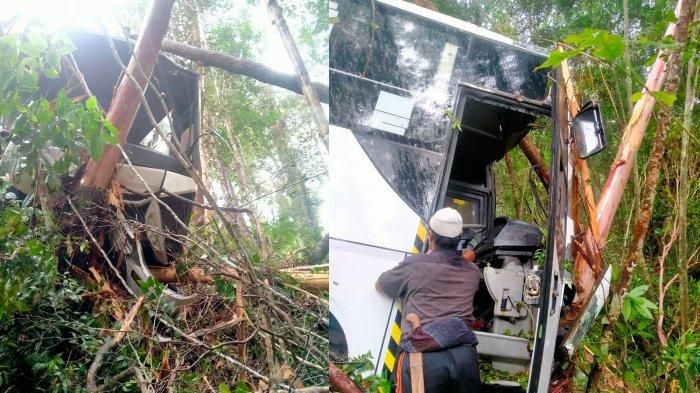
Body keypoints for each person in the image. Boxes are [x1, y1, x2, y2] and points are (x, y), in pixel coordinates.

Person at [376, 207, 481, 392]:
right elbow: (461, 263)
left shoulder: (414, 265)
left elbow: (381, 285)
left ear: (430, 235)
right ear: (460, 237)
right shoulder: (473, 272)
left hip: (423, 358)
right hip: (465, 357)